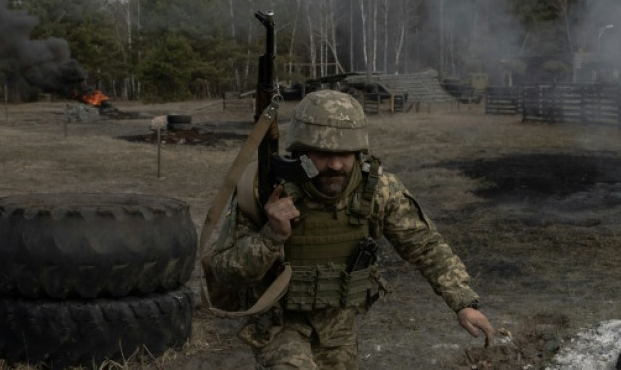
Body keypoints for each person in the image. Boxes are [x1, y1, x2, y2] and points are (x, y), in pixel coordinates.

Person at [210, 89, 494, 369]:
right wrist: (271, 238)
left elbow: (426, 246)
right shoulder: (266, 190)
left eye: (345, 153)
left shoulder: (378, 191)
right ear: (300, 151)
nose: (335, 165)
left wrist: (463, 302)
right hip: (277, 322)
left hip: (337, 326)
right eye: (323, 153)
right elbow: (224, 270)